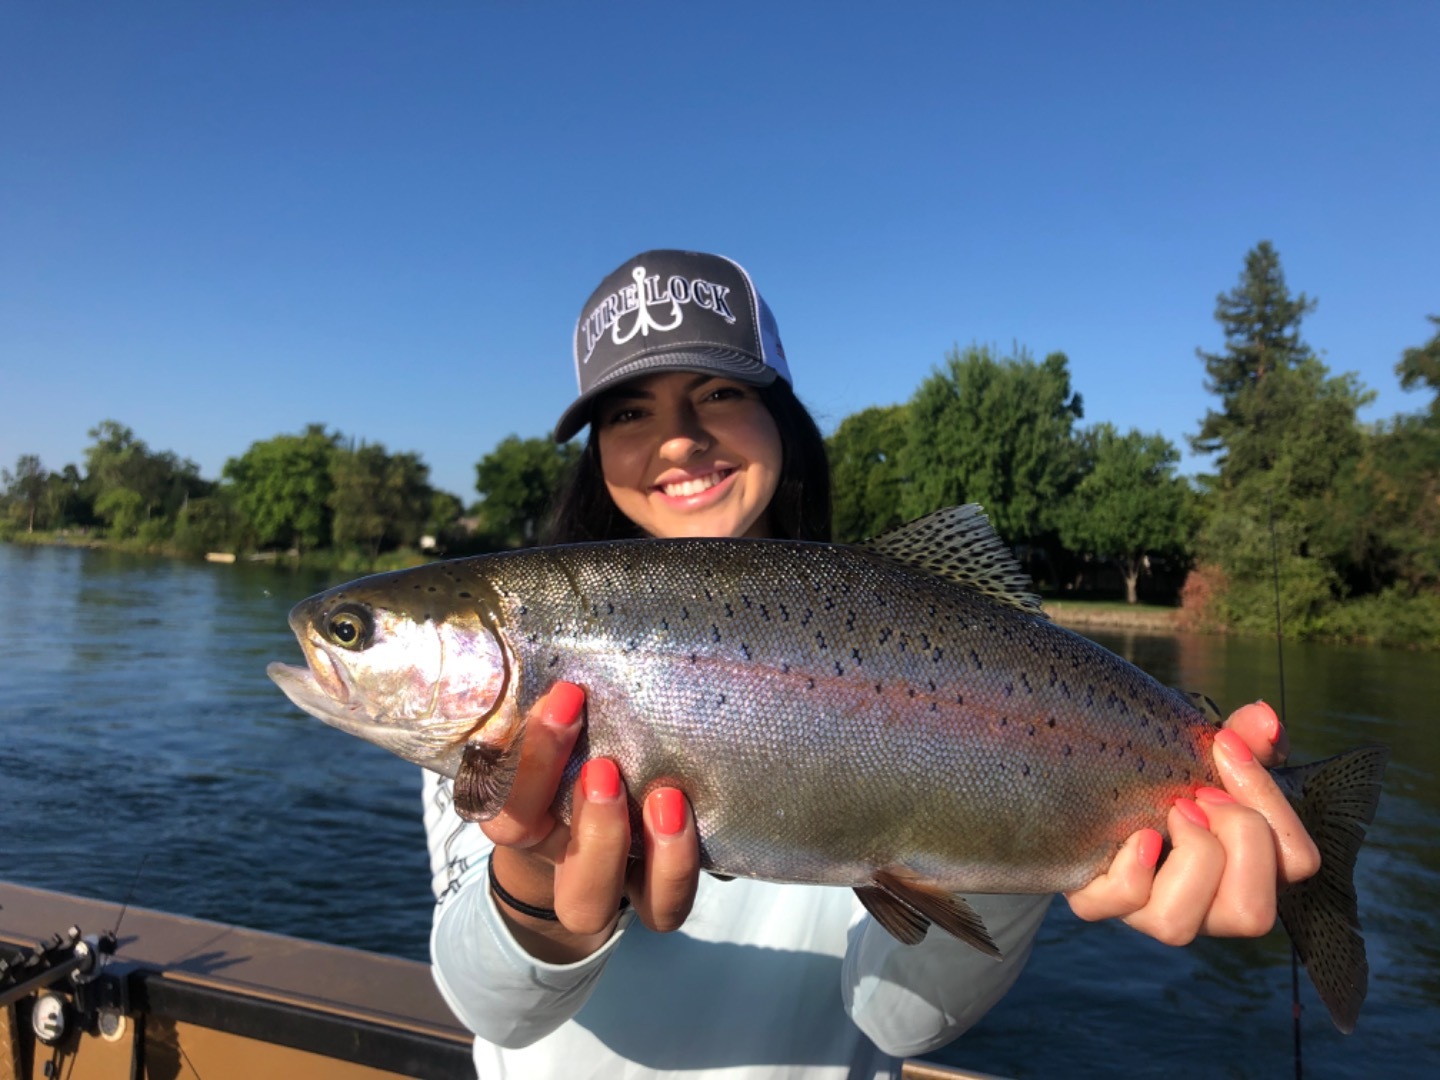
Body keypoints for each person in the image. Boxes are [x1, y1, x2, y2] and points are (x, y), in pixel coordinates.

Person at [423, 250, 1320, 1079]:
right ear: (597, 454)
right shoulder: (517, 701)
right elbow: (493, 1012)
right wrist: (534, 883)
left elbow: (897, 1021)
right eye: (628, 412)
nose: (681, 438)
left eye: (719, 393)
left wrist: (1045, 839)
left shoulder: (897, 621)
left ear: (784, 417)